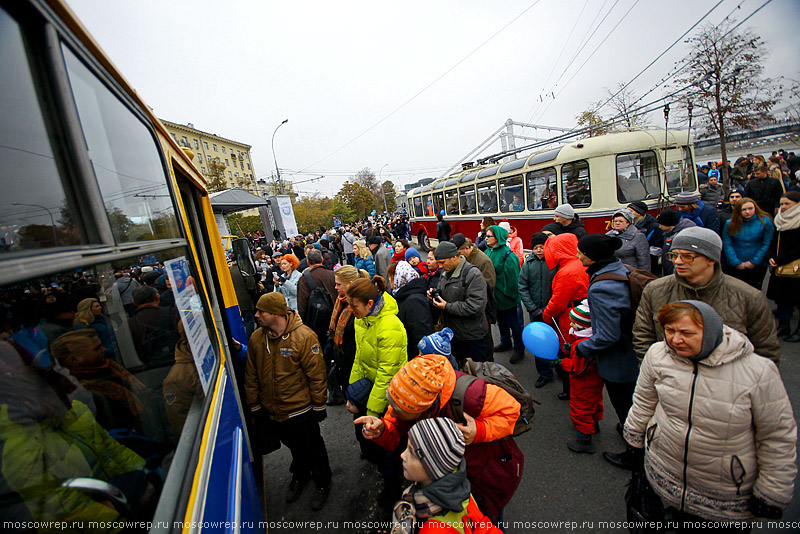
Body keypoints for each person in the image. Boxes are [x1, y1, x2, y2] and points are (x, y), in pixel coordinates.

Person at [624, 301, 797, 525]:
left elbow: (777, 435)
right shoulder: (658, 355)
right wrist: (634, 439)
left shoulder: (758, 372)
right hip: (665, 474)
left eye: (687, 333)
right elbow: (643, 401)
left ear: (711, 331)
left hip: (724, 492)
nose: (675, 340)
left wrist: (772, 491)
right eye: (669, 331)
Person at [356, 354, 523, 523]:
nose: (392, 412)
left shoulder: (472, 395)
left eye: (399, 411)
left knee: (486, 520)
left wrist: (479, 431)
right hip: (450, 478)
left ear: (422, 408)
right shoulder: (407, 395)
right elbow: (395, 432)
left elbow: (512, 411)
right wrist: (382, 430)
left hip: (484, 474)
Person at [633, 226, 781, 365]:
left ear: (711, 259)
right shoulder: (655, 290)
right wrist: (654, 372)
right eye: (674, 255)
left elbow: (766, 351)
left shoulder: (748, 296)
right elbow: (643, 335)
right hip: (672, 383)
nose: (678, 262)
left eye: (687, 256)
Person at [244, 292, 331, 511]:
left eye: (260, 311)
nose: (255, 315)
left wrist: (319, 405)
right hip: (273, 411)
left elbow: (317, 374)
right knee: (293, 447)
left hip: (300, 410)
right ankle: (301, 475)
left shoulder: (303, 336)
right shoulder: (257, 338)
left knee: (313, 447)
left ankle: (323, 482)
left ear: (275, 314)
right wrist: (254, 404)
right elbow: (251, 373)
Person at [575, 234, 639, 469]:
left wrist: (583, 347)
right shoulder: (617, 268)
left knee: (624, 405)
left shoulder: (602, 287)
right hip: (629, 353)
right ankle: (629, 431)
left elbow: (608, 336)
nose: (578, 255)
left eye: (581, 252)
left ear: (592, 257)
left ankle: (634, 454)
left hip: (619, 360)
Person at [346, 276, 408, 503]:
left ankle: (394, 493)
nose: (350, 310)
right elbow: (359, 360)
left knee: (388, 450)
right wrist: (352, 393)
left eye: (354, 305)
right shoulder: (365, 320)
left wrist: (370, 412)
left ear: (370, 304)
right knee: (378, 448)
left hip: (387, 400)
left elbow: (386, 375)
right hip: (372, 394)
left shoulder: (389, 326)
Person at [390, 418, 499, 534]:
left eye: (412, 453)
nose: (403, 455)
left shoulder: (432, 530)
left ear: (433, 467)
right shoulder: (461, 492)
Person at [51, 329, 150, 433]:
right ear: (73, 361)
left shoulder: (113, 369)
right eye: (97, 349)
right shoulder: (85, 393)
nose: (104, 349)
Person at [553, 302, 604, 454]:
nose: (570, 324)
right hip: (595, 383)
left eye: (573, 323)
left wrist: (561, 362)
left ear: (583, 326)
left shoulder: (582, 346)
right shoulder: (592, 340)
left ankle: (584, 439)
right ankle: (594, 424)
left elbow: (576, 368)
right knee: (595, 402)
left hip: (582, 384)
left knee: (580, 409)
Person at [543, 233, 589, 398]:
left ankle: (570, 391)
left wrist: (546, 316)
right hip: (585, 315)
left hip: (570, 317)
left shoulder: (567, 272)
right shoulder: (581, 263)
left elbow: (558, 302)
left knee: (568, 354)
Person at [429, 241, 488, 364]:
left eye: (442, 262)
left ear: (454, 258)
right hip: (453, 334)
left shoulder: (473, 274)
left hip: (471, 336)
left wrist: (447, 306)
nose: (439, 266)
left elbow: (474, 306)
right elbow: (445, 291)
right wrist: (435, 294)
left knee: (475, 374)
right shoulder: (445, 272)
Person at [326, 266, 369, 405]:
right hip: (343, 360)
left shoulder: (360, 307)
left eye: (339, 284)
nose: (335, 287)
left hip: (354, 363)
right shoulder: (341, 301)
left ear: (350, 284)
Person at [518, 233, 556, 388]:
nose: (539, 250)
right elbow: (522, 286)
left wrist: (551, 308)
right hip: (535, 311)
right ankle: (544, 373)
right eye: (536, 248)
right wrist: (532, 308)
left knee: (556, 341)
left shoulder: (554, 263)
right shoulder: (528, 264)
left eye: (542, 247)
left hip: (553, 310)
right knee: (540, 343)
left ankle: (559, 367)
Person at [484, 225, 523, 364]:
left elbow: (513, 280)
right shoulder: (489, 252)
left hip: (507, 298)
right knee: (501, 323)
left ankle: (519, 349)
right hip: (495, 298)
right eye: (486, 235)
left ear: (498, 238)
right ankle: (505, 342)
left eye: (489, 236)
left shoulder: (509, 255)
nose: (486, 238)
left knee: (515, 324)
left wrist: (509, 296)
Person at [767, 191, 800, 341]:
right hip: (779, 265)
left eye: (787, 204)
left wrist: (780, 259)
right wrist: (772, 256)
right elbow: (774, 240)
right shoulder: (779, 219)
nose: (784, 207)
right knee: (781, 297)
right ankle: (783, 325)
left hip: (795, 265)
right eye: (781, 204)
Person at [721, 197, 774, 289]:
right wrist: (736, 262)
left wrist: (754, 261)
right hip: (736, 263)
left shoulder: (765, 221)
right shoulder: (730, 223)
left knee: (755, 291)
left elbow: (767, 243)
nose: (747, 212)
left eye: (750, 208)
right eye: (744, 209)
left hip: (758, 264)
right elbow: (727, 243)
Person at [388, 261, 434, 360]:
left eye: (391, 276)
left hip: (414, 358)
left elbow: (421, 334)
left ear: (399, 277)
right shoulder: (402, 294)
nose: (389, 280)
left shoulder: (414, 301)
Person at [128, 286, 179, 363]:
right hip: (177, 359)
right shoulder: (173, 313)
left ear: (134, 302)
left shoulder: (130, 324)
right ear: (157, 297)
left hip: (151, 366)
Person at [296, 249, 338, 341]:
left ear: (308, 262)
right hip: (335, 317)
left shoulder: (304, 280)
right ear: (322, 260)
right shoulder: (334, 275)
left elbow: (302, 304)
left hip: (316, 321)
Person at [627, 201, 664, 274]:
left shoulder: (654, 227)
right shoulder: (629, 225)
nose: (627, 213)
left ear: (639, 213)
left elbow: (657, 248)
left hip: (651, 262)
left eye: (630, 211)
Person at [657, 209, 696, 276]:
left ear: (668, 224)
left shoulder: (682, 237)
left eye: (661, 224)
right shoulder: (668, 234)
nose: (659, 227)